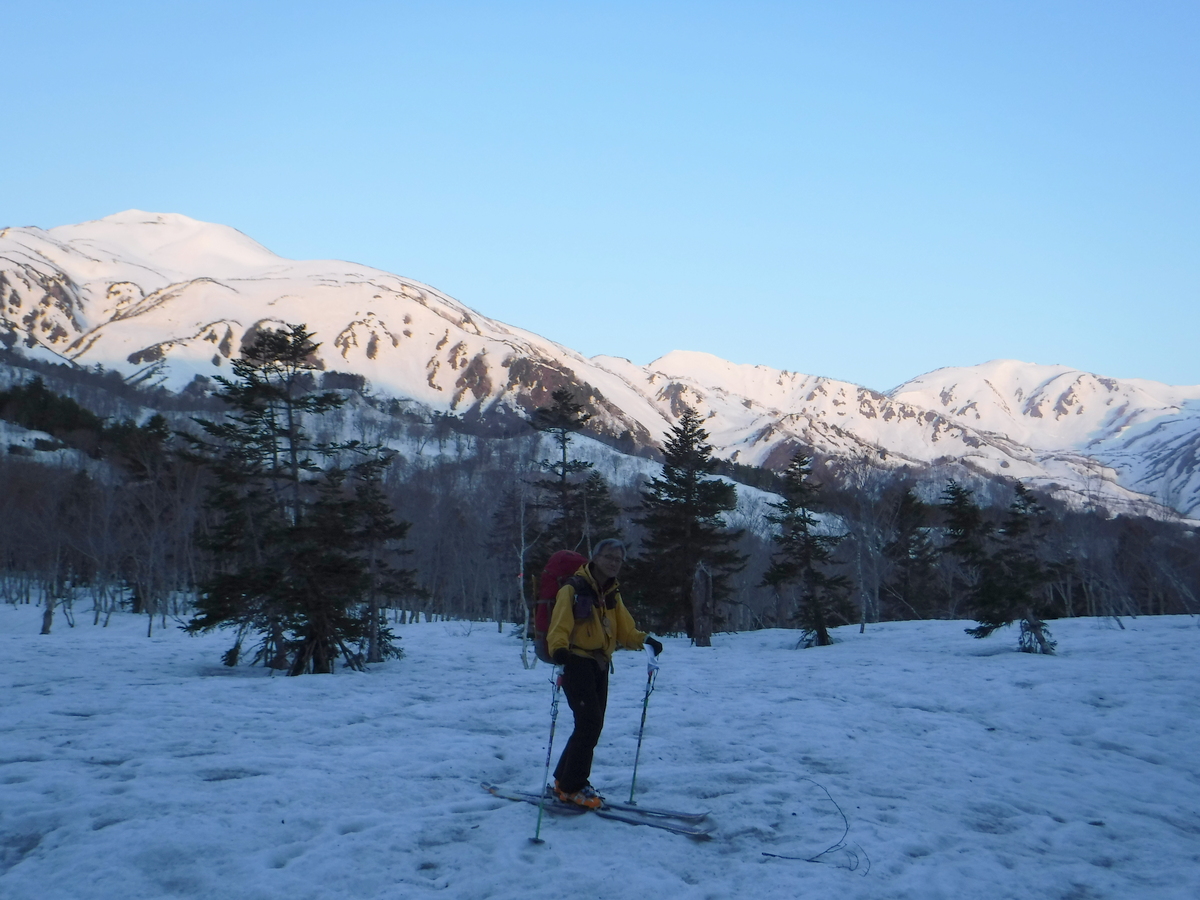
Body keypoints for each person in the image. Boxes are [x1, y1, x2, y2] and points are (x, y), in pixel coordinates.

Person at [546, 538, 664, 809]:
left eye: (618, 559)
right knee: (589, 723)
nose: (614, 563)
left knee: (590, 724)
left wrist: (645, 640)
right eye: (609, 557)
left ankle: (564, 781)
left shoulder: (610, 593)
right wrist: (559, 650)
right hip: (575, 661)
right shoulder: (573, 588)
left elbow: (624, 630)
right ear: (595, 558)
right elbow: (559, 625)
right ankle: (572, 786)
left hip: (599, 664)